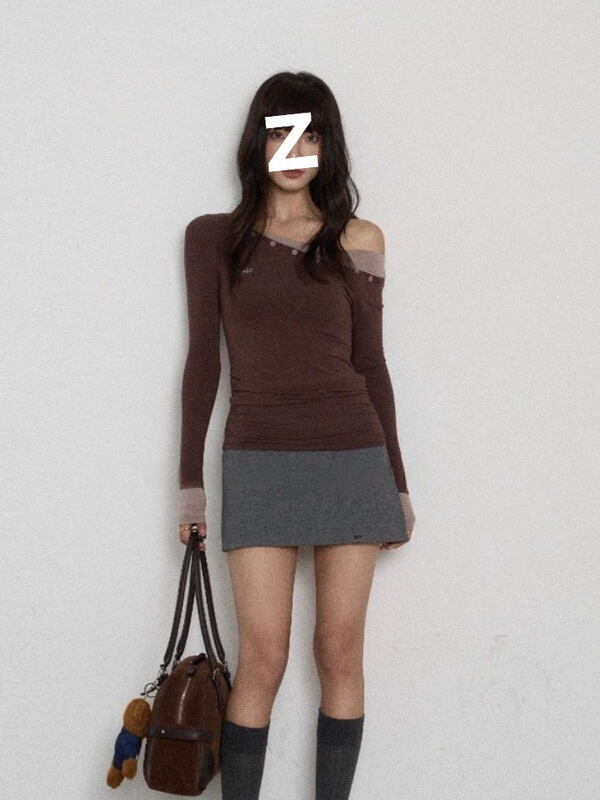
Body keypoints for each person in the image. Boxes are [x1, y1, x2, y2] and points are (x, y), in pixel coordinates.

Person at [178, 71, 416, 800]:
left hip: (353, 456)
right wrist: (190, 488)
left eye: (308, 136)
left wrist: (399, 486)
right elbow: (202, 362)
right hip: (257, 458)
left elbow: (372, 365)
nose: (293, 150)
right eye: (279, 134)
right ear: (257, 143)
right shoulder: (214, 238)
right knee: (264, 660)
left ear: (326, 146)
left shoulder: (358, 239)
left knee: (338, 653)